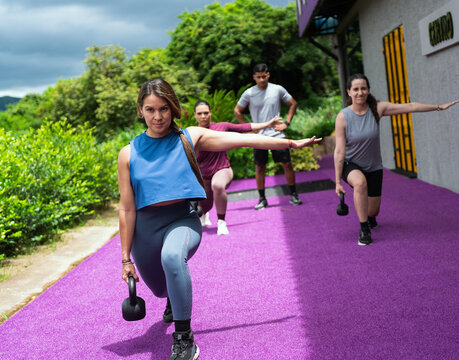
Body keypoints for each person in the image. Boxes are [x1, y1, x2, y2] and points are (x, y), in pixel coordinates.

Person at [118, 78, 319, 360]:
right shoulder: (128, 153)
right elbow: (126, 209)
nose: (158, 116)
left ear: (173, 108)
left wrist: (287, 142)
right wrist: (126, 258)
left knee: (173, 258)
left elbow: (242, 139)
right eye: (150, 109)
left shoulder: (190, 137)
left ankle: (184, 338)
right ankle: (173, 301)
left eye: (164, 108)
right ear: (140, 110)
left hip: (182, 220)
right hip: (145, 232)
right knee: (160, 289)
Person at [334, 73, 459, 246]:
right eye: (356, 89)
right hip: (351, 163)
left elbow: (411, 106)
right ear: (349, 92)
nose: (360, 92)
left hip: (373, 166)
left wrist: (439, 107)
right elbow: (339, 151)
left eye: (363, 88)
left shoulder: (377, 109)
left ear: (368, 90)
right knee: (360, 183)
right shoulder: (343, 117)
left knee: (373, 210)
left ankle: (369, 218)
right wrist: (337, 181)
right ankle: (364, 230)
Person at [193, 99, 282, 235]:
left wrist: (268, 124)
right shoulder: (192, 133)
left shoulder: (221, 126)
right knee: (205, 205)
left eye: (206, 112)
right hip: (203, 175)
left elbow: (246, 127)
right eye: (200, 113)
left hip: (222, 170)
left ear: (211, 113)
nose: (203, 116)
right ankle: (204, 215)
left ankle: (221, 222)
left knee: (217, 185)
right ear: (195, 115)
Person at [234, 63, 302, 210]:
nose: (261, 80)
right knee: (260, 167)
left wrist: (287, 123)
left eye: (264, 76)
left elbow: (293, 103)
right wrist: (249, 129)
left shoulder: (277, 89)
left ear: (268, 75)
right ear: (254, 77)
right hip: (259, 136)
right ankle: (262, 199)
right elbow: (237, 111)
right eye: (258, 77)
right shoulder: (249, 93)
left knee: (287, 164)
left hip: (277, 134)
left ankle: (294, 194)